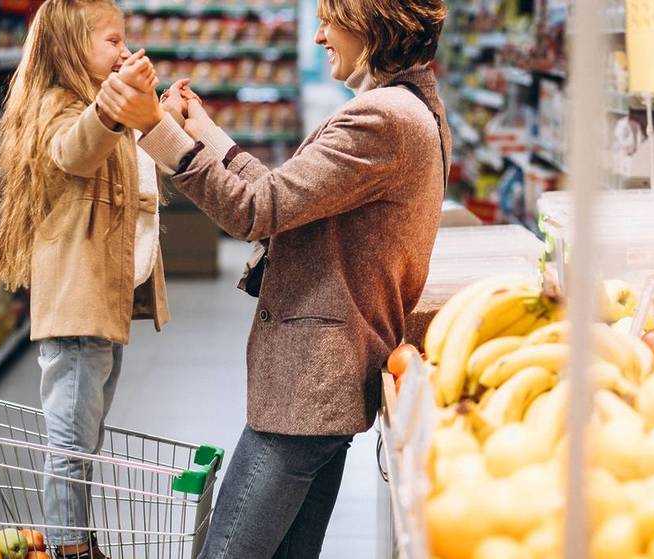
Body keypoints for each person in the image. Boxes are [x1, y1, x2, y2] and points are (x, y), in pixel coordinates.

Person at [96, 0, 450, 555]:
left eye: (330, 21)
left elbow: (255, 211)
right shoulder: (406, 109)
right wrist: (203, 132)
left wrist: (155, 129)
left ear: (371, 24)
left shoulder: (382, 120)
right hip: (328, 382)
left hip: (308, 385)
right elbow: (284, 199)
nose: (318, 36)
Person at [0, 1, 171, 557]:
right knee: (69, 442)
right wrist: (117, 101)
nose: (124, 49)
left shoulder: (95, 102)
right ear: (71, 45)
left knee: (85, 438)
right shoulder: (57, 108)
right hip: (76, 304)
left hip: (102, 304)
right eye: (112, 40)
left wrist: (166, 114)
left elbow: (130, 165)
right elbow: (76, 148)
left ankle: (76, 540)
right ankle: (68, 549)